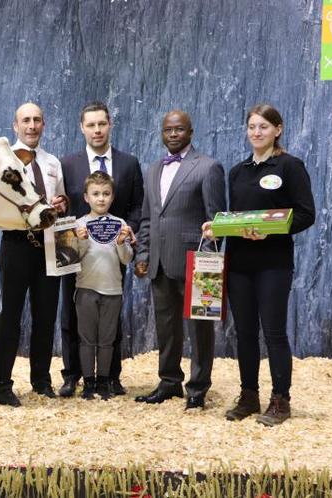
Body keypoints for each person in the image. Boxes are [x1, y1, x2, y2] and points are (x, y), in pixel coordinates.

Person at [202, 104, 315, 426]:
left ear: (278, 130)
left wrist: (269, 228)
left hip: (273, 264)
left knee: (274, 333)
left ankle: (281, 399)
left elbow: (306, 214)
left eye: (263, 127)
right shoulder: (239, 171)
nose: (257, 132)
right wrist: (217, 228)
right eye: (252, 127)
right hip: (238, 263)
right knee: (245, 333)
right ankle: (249, 395)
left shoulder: (290, 167)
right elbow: (236, 219)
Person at [134, 110, 225, 410]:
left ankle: (198, 388)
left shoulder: (208, 167)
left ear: (190, 132)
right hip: (159, 261)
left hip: (195, 263)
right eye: (168, 130)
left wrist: (209, 261)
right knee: (166, 325)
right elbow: (148, 218)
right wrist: (143, 254)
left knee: (199, 328)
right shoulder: (153, 169)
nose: (173, 134)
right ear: (162, 133)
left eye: (179, 129)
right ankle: (169, 381)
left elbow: (216, 220)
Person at [59, 101, 144, 398]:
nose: (97, 130)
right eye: (91, 125)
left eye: (101, 124)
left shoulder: (129, 163)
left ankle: (111, 377)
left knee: (111, 319)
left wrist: (127, 232)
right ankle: (72, 375)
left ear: (110, 125)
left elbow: (137, 206)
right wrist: (71, 237)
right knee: (71, 315)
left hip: (113, 253)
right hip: (78, 254)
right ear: (82, 128)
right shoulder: (66, 164)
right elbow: (61, 210)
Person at [0, 102, 69, 407]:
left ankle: (41, 381)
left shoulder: (53, 162)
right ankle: (2, 386)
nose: (32, 126)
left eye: (37, 120)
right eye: (26, 120)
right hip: (16, 245)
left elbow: (59, 200)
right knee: (9, 317)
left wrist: (62, 204)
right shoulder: (2, 161)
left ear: (44, 125)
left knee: (46, 316)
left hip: (48, 247)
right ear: (15, 126)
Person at [73, 171, 134, 400]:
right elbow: (73, 259)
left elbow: (126, 259)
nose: (101, 198)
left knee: (107, 340)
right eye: (96, 194)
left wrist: (120, 243)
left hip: (113, 291)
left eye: (106, 194)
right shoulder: (79, 224)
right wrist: (79, 241)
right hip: (86, 289)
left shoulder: (120, 224)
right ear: (86, 197)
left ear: (113, 196)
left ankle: (104, 382)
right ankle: (88, 383)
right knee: (87, 339)